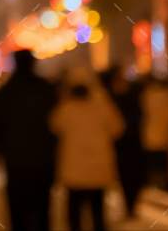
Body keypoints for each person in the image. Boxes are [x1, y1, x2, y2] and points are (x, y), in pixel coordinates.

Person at [0, 50, 58, 231]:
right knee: (42, 208)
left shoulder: (5, 92)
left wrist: (1, 148)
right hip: (43, 160)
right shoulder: (46, 90)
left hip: (15, 159)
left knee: (17, 209)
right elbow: (59, 124)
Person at [50, 72, 122, 231]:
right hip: (98, 169)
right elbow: (118, 129)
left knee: (74, 213)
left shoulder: (66, 109)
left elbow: (54, 126)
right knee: (97, 211)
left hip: (73, 170)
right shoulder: (103, 107)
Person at [101, 66, 145, 219]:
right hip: (121, 144)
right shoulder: (110, 98)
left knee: (132, 176)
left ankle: (131, 204)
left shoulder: (126, 97)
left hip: (131, 143)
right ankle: (129, 204)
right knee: (126, 176)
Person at [140, 77, 168, 190]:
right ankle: (163, 184)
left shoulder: (145, 97)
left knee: (153, 165)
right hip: (167, 138)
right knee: (164, 165)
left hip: (149, 137)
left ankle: (154, 184)